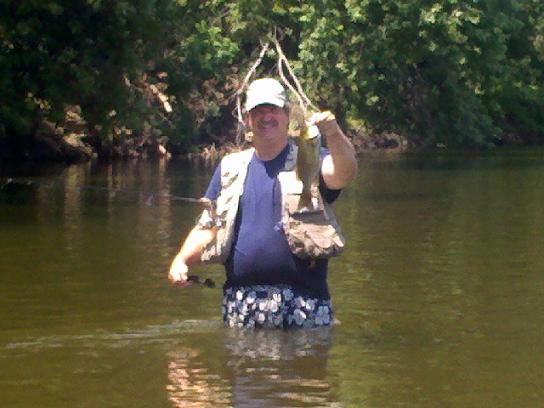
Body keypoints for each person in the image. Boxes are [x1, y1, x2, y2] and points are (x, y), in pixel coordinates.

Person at [168, 78, 357, 329]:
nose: (266, 117)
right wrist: (181, 259)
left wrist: (332, 133)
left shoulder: (310, 157)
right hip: (241, 305)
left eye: (273, 109)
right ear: (247, 119)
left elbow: (344, 174)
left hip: (305, 303)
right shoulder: (230, 167)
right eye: (258, 111)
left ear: (287, 115)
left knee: (307, 356)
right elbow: (209, 226)